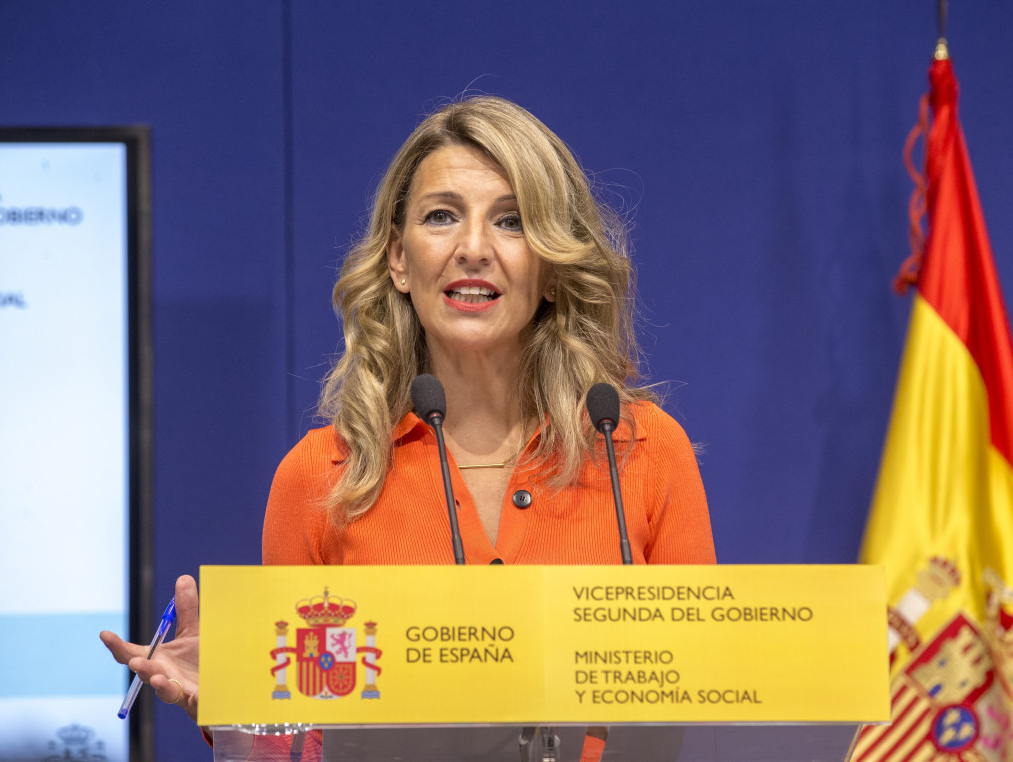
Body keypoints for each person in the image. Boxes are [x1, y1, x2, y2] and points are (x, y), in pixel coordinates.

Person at [101, 96, 715, 729]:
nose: (473, 247)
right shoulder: (323, 477)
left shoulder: (640, 450)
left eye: (511, 221)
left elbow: (710, 694)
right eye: (442, 216)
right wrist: (240, 701)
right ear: (398, 259)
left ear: (554, 267)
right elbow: (301, 733)